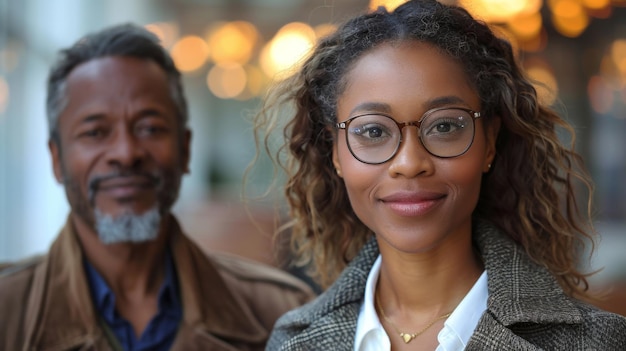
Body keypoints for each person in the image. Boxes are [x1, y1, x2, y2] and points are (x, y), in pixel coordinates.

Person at [252, 1, 626, 350]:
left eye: (445, 126)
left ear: (489, 143)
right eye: (373, 131)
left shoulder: (598, 340)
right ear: (335, 151)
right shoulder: (293, 340)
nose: (410, 162)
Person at [0, 23, 314, 351]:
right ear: (56, 159)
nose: (125, 153)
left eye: (150, 128)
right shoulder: (8, 312)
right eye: (94, 133)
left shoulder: (282, 312)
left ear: (185, 150)